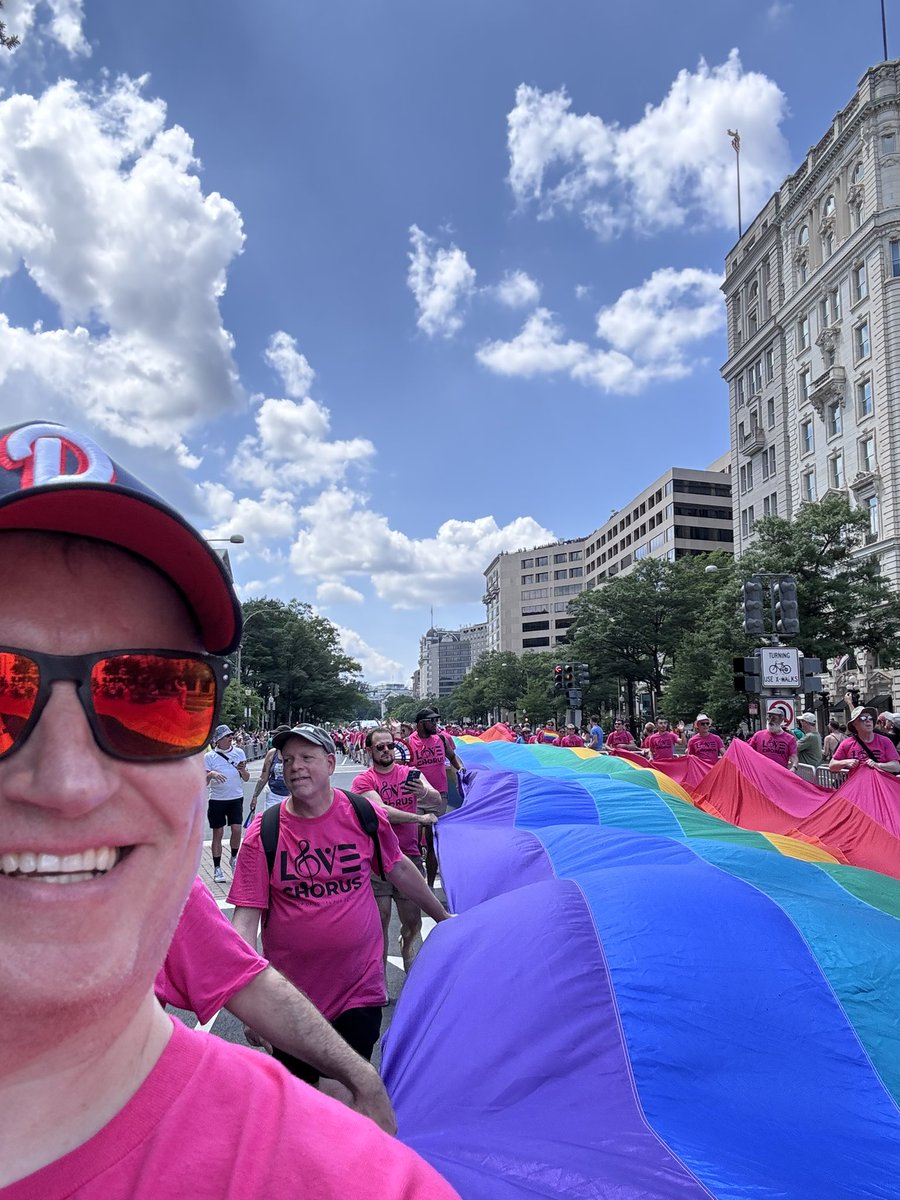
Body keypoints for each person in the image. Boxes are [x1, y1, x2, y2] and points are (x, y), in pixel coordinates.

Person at [0, 419, 458, 1197]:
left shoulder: (346, 1180)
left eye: (152, 695)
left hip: (355, 998)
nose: (70, 783)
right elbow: (245, 935)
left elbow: (239, 960)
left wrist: (365, 1068)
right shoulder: (265, 832)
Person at [229, 724, 453, 1085]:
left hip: (358, 988)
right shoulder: (264, 831)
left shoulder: (362, 815)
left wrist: (442, 916)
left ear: (331, 763)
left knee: (352, 1088)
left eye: (307, 758)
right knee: (306, 1096)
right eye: (288, 760)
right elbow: (246, 918)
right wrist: (249, 999)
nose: (295, 766)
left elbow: (398, 867)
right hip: (291, 997)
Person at [158, 877, 397, 1133]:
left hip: (353, 993)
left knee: (333, 1108)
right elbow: (245, 929)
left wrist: (363, 1078)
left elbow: (244, 980)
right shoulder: (262, 839)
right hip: (133, 1122)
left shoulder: (158, 879)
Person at [351, 728, 442, 973]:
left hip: (409, 856)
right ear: (369, 750)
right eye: (380, 747)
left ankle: (407, 944)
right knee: (380, 922)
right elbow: (383, 813)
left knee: (412, 921)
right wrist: (419, 819)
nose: (386, 751)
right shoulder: (363, 781)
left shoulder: (410, 774)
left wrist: (423, 792)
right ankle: (378, 979)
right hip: (376, 858)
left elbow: (436, 802)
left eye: (390, 746)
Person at [406, 707, 464, 886]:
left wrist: (462, 773)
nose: (436, 724)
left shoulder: (441, 739)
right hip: (415, 796)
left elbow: (454, 758)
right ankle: (418, 883)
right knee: (414, 843)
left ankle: (430, 885)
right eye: (432, 721)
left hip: (439, 796)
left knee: (433, 843)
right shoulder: (409, 742)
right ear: (422, 723)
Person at [204, 723, 250, 882]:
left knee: (237, 829)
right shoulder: (209, 757)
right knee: (218, 832)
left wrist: (242, 770)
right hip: (217, 799)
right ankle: (217, 867)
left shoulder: (239, 753)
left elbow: (246, 777)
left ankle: (233, 857)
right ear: (218, 740)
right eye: (227, 736)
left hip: (236, 797)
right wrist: (211, 774)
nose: (231, 739)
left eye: (231, 736)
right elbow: (203, 783)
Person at [829, 705, 900, 774]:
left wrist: (878, 765)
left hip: (880, 784)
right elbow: (832, 766)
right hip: (857, 784)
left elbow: (896, 766)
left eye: (870, 718)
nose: (868, 720)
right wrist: (845, 762)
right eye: (863, 718)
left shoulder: (885, 741)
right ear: (854, 724)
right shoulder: (847, 743)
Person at [248, 723, 292, 815]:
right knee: (272, 823)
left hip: (291, 796)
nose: (274, 738)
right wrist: (255, 796)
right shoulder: (272, 754)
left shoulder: (295, 753)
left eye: (277, 736)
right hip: (273, 795)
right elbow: (263, 777)